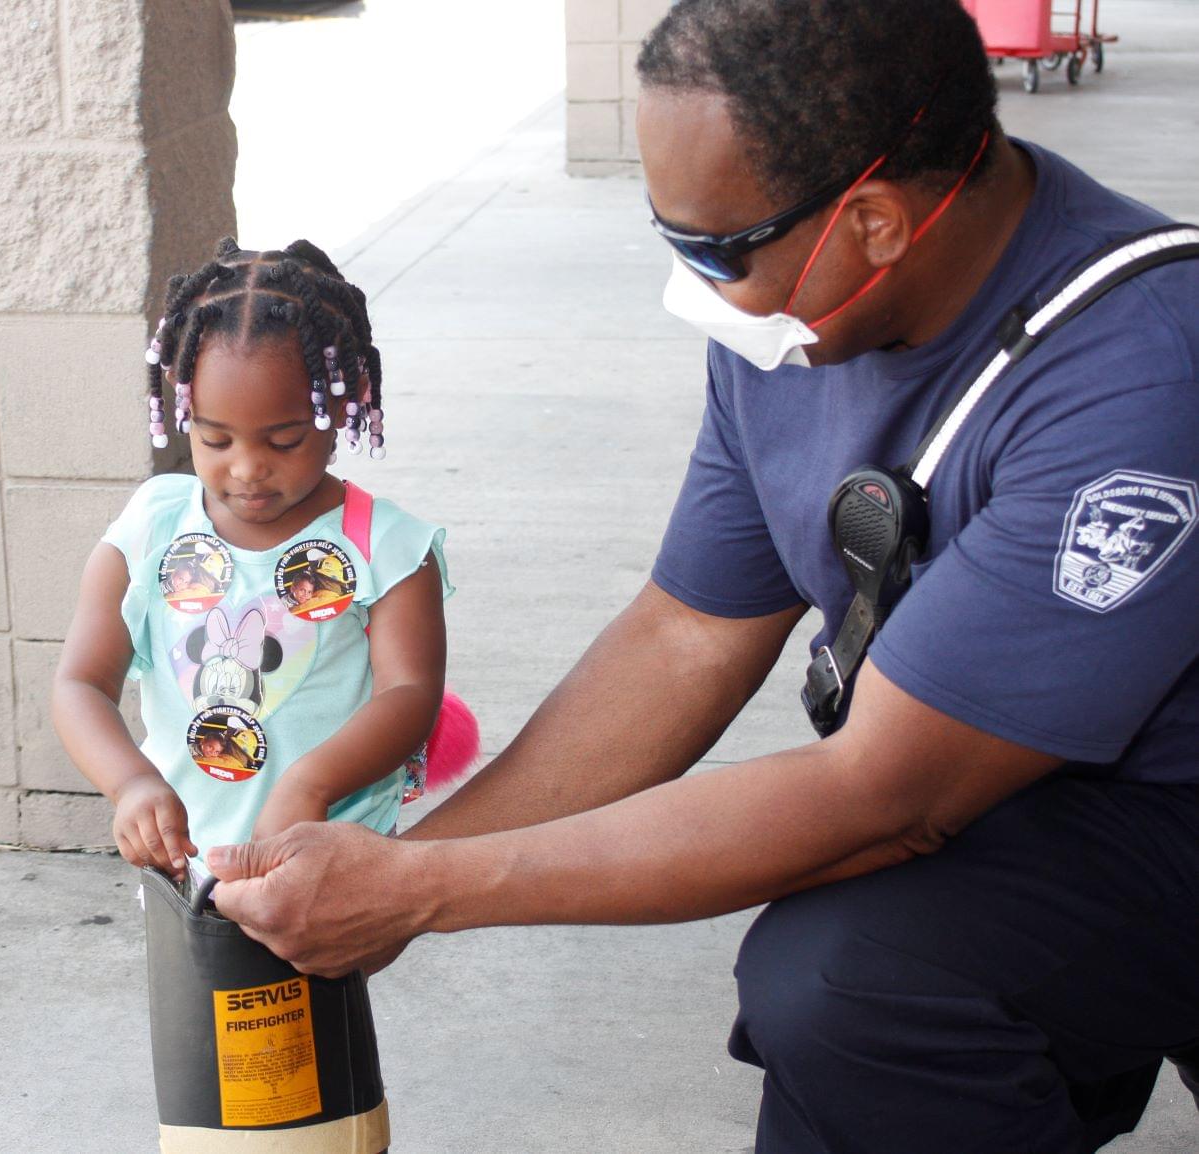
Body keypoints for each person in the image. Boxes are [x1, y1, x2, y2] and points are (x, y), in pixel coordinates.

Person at [202, 3, 1199, 1152]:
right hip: (1019, 777)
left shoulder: (1136, 375)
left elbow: (886, 797)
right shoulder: (791, 326)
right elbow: (686, 632)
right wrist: (399, 867)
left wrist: (431, 891)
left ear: (872, 220)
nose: (697, 289)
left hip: (1155, 806)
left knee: (852, 979)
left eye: (715, 250)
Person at [52, 237, 451, 880]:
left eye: (285, 439)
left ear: (342, 405)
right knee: (196, 985)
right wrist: (130, 783)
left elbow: (410, 692)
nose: (247, 468)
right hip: (185, 863)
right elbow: (80, 683)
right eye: (214, 438)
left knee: (318, 985)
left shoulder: (387, 547)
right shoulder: (152, 528)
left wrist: (313, 783)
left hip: (330, 853)